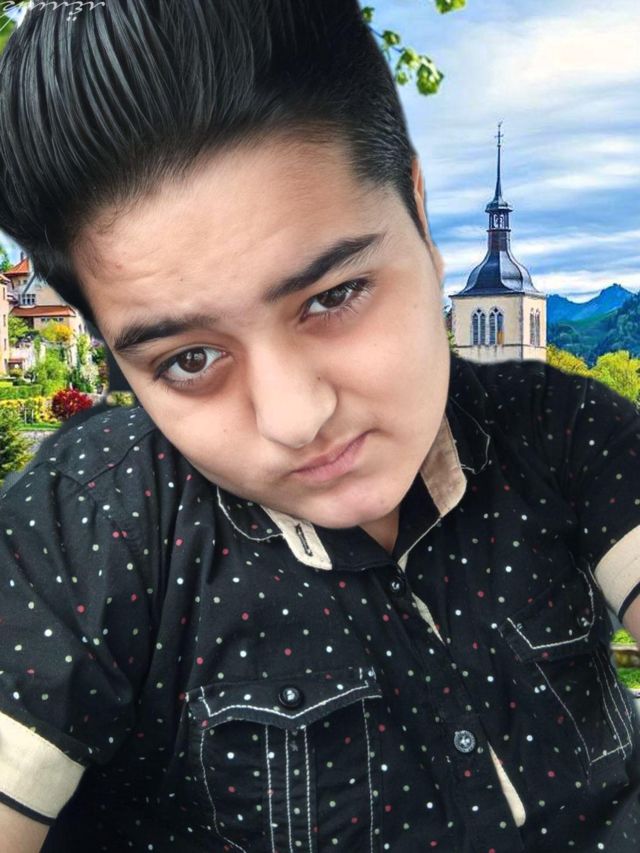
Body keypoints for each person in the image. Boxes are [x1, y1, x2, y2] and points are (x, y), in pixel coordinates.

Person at [0, 2, 639, 851]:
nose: (296, 419)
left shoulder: (563, 428)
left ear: (418, 210)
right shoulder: (91, 524)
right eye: (189, 359)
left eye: (334, 295)